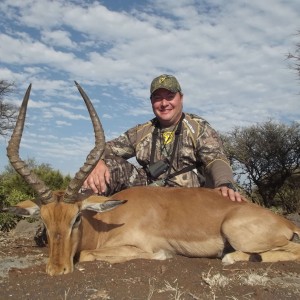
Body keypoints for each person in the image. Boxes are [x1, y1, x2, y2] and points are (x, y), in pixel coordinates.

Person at [83, 74, 243, 202]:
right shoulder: (142, 131)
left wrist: (224, 183)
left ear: (181, 98)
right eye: (158, 98)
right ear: (151, 101)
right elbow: (103, 149)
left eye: (170, 96)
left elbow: (216, 159)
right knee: (108, 166)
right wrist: (98, 162)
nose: (164, 103)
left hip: (190, 198)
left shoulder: (198, 128)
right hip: (151, 195)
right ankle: (88, 222)